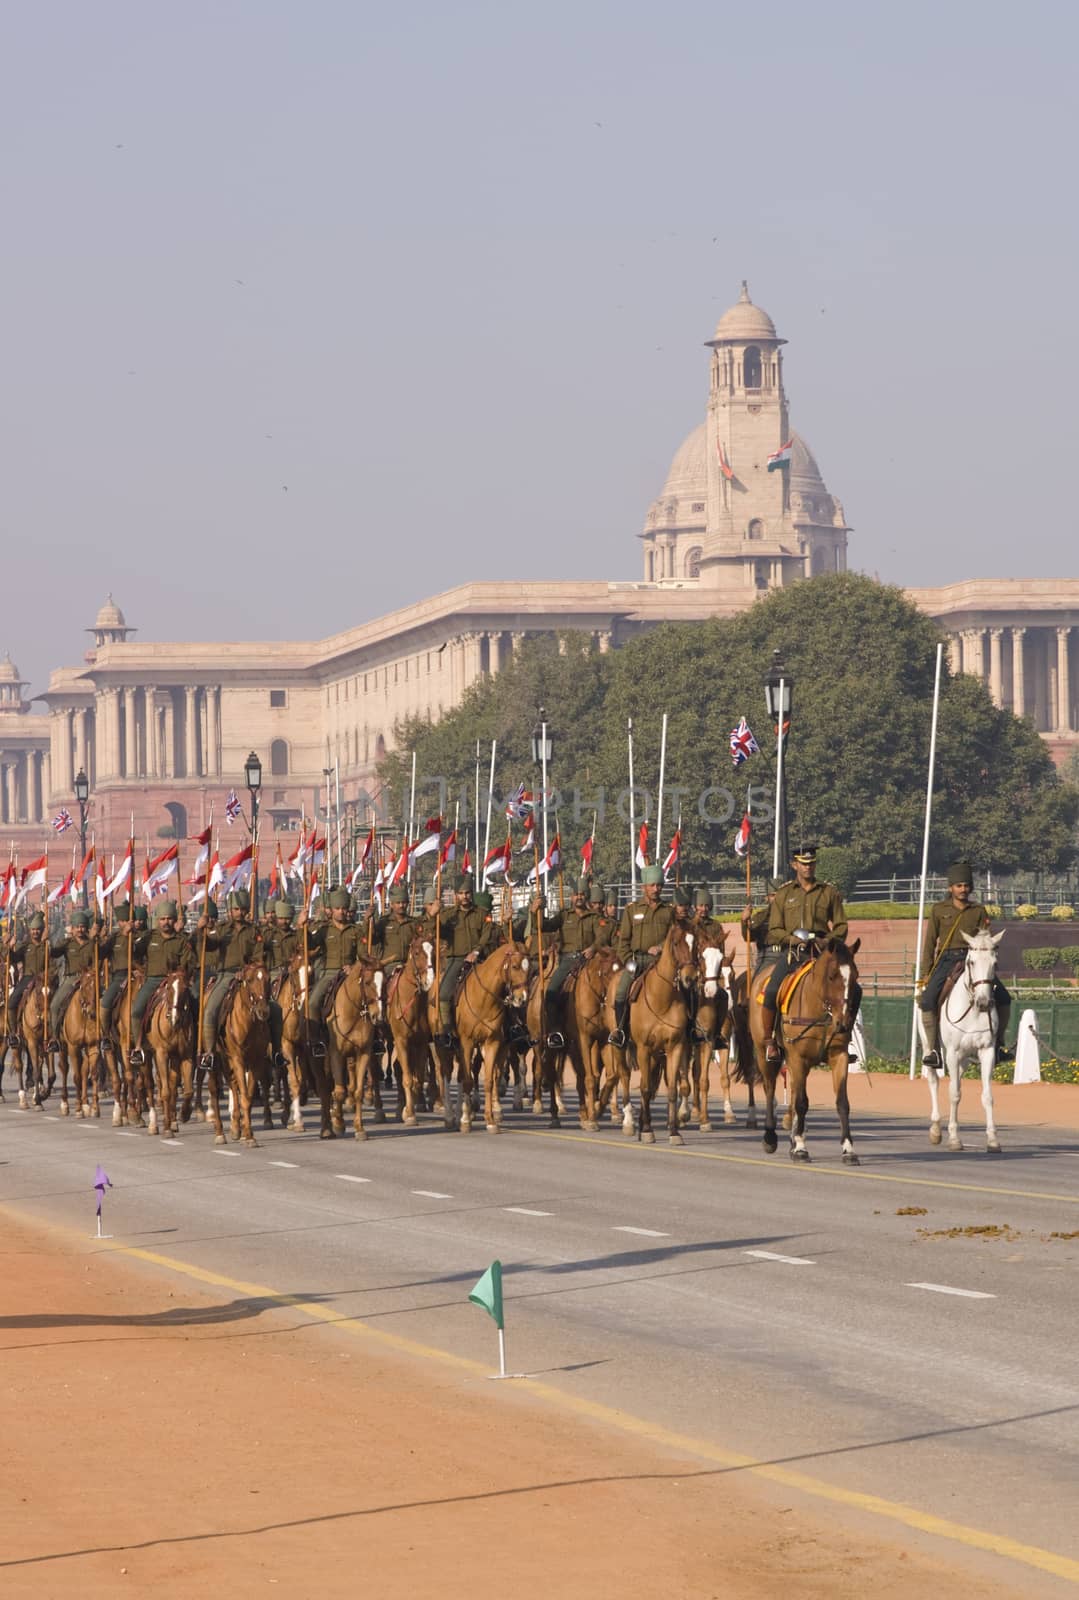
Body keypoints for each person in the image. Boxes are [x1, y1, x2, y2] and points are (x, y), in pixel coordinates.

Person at [759, 848, 852, 1065]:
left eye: (811, 863)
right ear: (794, 865)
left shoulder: (829, 892)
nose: (808, 866)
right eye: (803, 863)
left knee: (852, 987)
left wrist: (827, 940)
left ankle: (844, 1037)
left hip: (823, 952)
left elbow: (841, 926)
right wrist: (793, 940)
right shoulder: (783, 894)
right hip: (794, 953)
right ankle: (770, 1041)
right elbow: (774, 930)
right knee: (771, 990)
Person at [919, 860, 1012, 1066]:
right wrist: (926, 971)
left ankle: (998, 1045)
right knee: (927, 1001)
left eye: (966, 885)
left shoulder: (978, 911)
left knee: (1004, 998)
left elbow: (986, 939)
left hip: (974, 960)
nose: (963, 889)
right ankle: (933, 1051)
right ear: (950, 887)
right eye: (959, 885)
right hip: (947, 960)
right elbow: (929, 942)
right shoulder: (938, 909)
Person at [609, 864, 674, 1048]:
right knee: (621, 992)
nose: (656, 889)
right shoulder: (631, 910)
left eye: (659, 885)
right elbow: (623, 943)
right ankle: (621, 1032)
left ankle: (688, 1030)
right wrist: (629, 961)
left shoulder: (668, 911)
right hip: (636, 961)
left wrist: (661, 947)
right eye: (652, 885)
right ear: (643, 887)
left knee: (684, 991)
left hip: (661, 963)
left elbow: (673, 937)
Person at [428, 874, 495, 1046]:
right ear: (455, 895)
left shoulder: (482, 914)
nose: (464, 896)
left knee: (503, 989)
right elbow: (433, 932)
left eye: (467, 892)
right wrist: (432, 916)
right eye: (461, 893)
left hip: (479, 959)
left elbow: (487, 934)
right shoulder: (447, 915)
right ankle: (448, 1032)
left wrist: (477, 951)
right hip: (456, 960)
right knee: (442, 995)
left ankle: (511, 1027)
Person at [197, 889, 263, 1062]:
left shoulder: (253, 931)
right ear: (230, 910)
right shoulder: (222, 929)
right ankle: (210, 1052)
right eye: (236, 909)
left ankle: (275, 1051)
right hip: (226, 975)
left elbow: (258, 957)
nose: (239, 913)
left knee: (273, 1009)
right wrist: (201, 931)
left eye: (242, 909)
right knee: (210, 1009)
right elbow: (209, 946)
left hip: (250, 977)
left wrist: (248, 971)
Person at [531, 878, 597, 1045]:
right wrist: (535, 911)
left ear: (587, 896)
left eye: (582, 894)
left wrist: (593, 948)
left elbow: (603, 937)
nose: (579, 897)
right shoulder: (563, 915)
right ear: (571, 897)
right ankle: (555, 1031)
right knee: (551, 992)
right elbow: (543, 927)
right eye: (576, 894)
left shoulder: (595, 917)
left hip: (590, 961)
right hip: (567, 961)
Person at [129, 902, 196, 1063]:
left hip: (175, 981)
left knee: (196, 1006)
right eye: (162, 919)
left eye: (169, 919)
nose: (166, 922)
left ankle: (195, 1044)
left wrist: (181, 975)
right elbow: (134, 953)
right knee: (137, 1010)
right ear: (157, 920)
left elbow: (190, 962)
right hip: (153, 980)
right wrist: (139, 967)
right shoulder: (149, 937)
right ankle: (138, 1046)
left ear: (174, 920)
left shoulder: (181, 940)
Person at [299, 888, 361, 1046]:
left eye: (344, 909)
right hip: (330, 973)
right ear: (332, 910)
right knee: (312, 1003)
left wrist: (354, 967)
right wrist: (303, 927)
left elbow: (363, 956)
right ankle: (315, 1040)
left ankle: (375, 1038)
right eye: (337, 909)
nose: (341, 912)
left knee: (371, 999)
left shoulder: (355, 931)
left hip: (350, 973)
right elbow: (309, 945)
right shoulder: (324, 930)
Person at [47, 910, 103, 1045]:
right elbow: (53, 954)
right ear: (72, 928)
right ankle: (55, 1037)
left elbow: (101, 956)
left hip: (90, 980)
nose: (80, 929)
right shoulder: (67, 943)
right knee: (55, 1005)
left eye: (83, 926)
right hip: (72, 979)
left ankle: (106, 1036)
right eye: (77, 926)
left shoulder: (92, 943)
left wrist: (97, 939)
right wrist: (47, 941)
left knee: (106, 1003)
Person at [99, 901, 150, 1048]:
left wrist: (130, 938)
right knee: (105, 1003)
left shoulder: (142, 937)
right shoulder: (114, 938)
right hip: (119, 977)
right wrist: (97, 939)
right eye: (123, 921)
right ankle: (106, 1035)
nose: (127, 923)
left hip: (139, 975)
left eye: (129, 920)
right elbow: (100, 954)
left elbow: (141, 952)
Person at [6, 912, 63, 1021]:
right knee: (12, 1003)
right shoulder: (25, 946)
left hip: (44, 979)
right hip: (28, 978)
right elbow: (14, 958)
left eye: (37, 929)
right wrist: (10, 948)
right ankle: (14, 1033)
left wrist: (47, 942)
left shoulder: (47, 946)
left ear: (42, 930)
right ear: (30, 931)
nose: (35, 932)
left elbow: (53, 962)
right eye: (33, 929)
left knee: (57, 1002)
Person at [368, 885, 419, 975]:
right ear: (391, 904)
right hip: (389, 965)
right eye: (398, 902)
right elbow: (372, 939)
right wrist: (367, 922)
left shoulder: (413, 923)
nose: (401, 905)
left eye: (404, 902)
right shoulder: (384, 922)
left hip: (409, 964)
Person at [741, 878, 785, 966]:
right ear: (767, 898)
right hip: (766, 957)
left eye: (779, 895)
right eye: (772, 895)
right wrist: (744, 921)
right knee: (757, 978)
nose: (776, 898)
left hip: (786, 955)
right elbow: (748, 937)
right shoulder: (760, 917)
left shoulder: (791, 915)